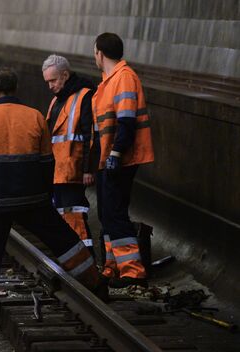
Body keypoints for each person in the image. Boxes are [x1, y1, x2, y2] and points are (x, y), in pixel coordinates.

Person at [0, 67, 105, 340]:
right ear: (15, 89)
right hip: (32, 200)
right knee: (64, 239)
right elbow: (48, 163)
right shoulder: (35, 116)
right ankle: (96, 285)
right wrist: (44, 196)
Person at [92, 33, 155, 288]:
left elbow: (126, 121)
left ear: (100, 53)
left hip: (121, 158)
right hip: (109, 157)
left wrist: (116, 155)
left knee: (115, 212)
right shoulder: (110, 81)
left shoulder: (124, 78)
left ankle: (132, 271)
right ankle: (113, 266)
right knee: (107, 212)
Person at [42, 54, 97, 257]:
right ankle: (74, 261)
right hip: (58, 171)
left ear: (65, 75)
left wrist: (87, 170)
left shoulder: (84, 96)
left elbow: (89, 136)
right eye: (47, 81)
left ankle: (86, 260)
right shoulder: (57, 100)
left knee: (74, 215)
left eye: (53, 80)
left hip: (72, 170)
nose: (50, 86)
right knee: (64, 216)